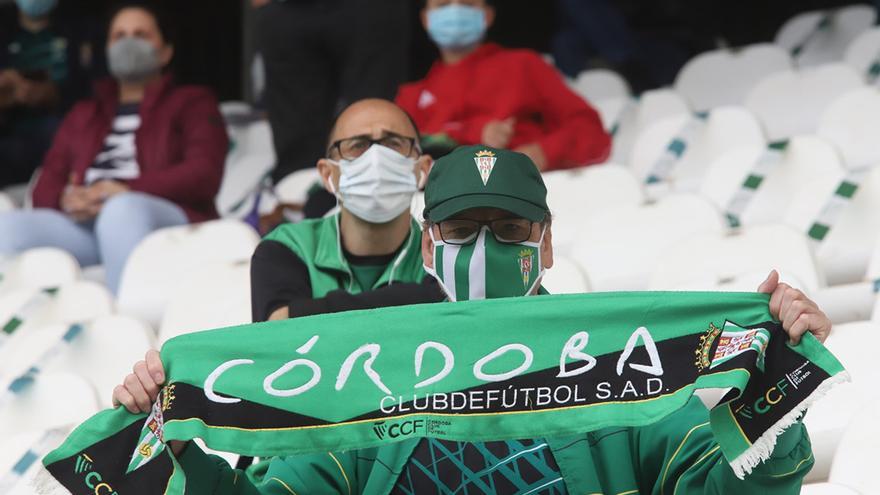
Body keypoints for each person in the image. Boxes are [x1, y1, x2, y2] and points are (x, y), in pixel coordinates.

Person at [114, 145, 830, 494]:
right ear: (428, 246)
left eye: (509, 229)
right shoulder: (367, 372)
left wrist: (778, 390)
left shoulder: (624, 365)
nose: (484, 247)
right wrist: (170, 437)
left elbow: (729, 487)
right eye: (460, 231)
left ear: (546, 244)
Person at [0, 3, 228, 294]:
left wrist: (125, 189)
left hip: (165, 220)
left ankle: (129, 324)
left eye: (140, 35)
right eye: (119, 36)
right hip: (88, 224)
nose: (128, 42)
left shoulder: (192, 102)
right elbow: (46, 184)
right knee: (6, 228)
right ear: (106, 49)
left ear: (166, 51)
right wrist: (69, 199)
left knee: (121, 211)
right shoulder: (85, 112)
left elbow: (203, 174)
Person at [249, 98, 434, 323]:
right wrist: (426, 298)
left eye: (394, 143)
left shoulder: (445, 249)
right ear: (327, 175)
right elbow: (278, 328)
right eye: (357, 145)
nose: (376, 158)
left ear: (423, 169)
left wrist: (307, 312)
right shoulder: (286, 249)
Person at [396, 0, 611, 171]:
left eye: (468, 4)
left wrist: (543, 153)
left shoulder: (524, 65)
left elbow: (589, 128)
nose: (455, 11)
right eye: (443, 5)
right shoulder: (410, 96)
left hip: (529, 197)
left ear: (487, 16)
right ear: (425, 19)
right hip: (443, 209)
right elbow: (399, 155)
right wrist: (476, 131)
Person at [251, 0, 411, 184]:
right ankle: (301, 198)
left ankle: (379, 189)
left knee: (374, 122)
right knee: (297, 150)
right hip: (289, 9)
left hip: (370, 8)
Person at [0, 0, 97, 187]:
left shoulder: (81, 29)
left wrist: (52, 95)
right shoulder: (4, 29)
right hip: (9, 127)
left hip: (62, 125)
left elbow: (94, 92)